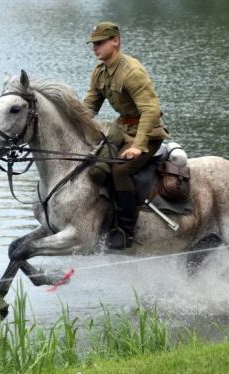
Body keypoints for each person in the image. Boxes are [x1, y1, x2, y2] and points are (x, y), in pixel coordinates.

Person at [83, 21, 171, 249]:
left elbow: (150, 110)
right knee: (96, 168)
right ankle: (102, 219)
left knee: (120, 170)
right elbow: (89, 108)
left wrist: (138, 146)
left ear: (115, 41)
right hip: (121, 129)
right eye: (93, 43)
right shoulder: (100, 72)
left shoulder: (132, 71)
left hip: (147, 132)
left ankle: (125, 231)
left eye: (100, 42)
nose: (95, 48)